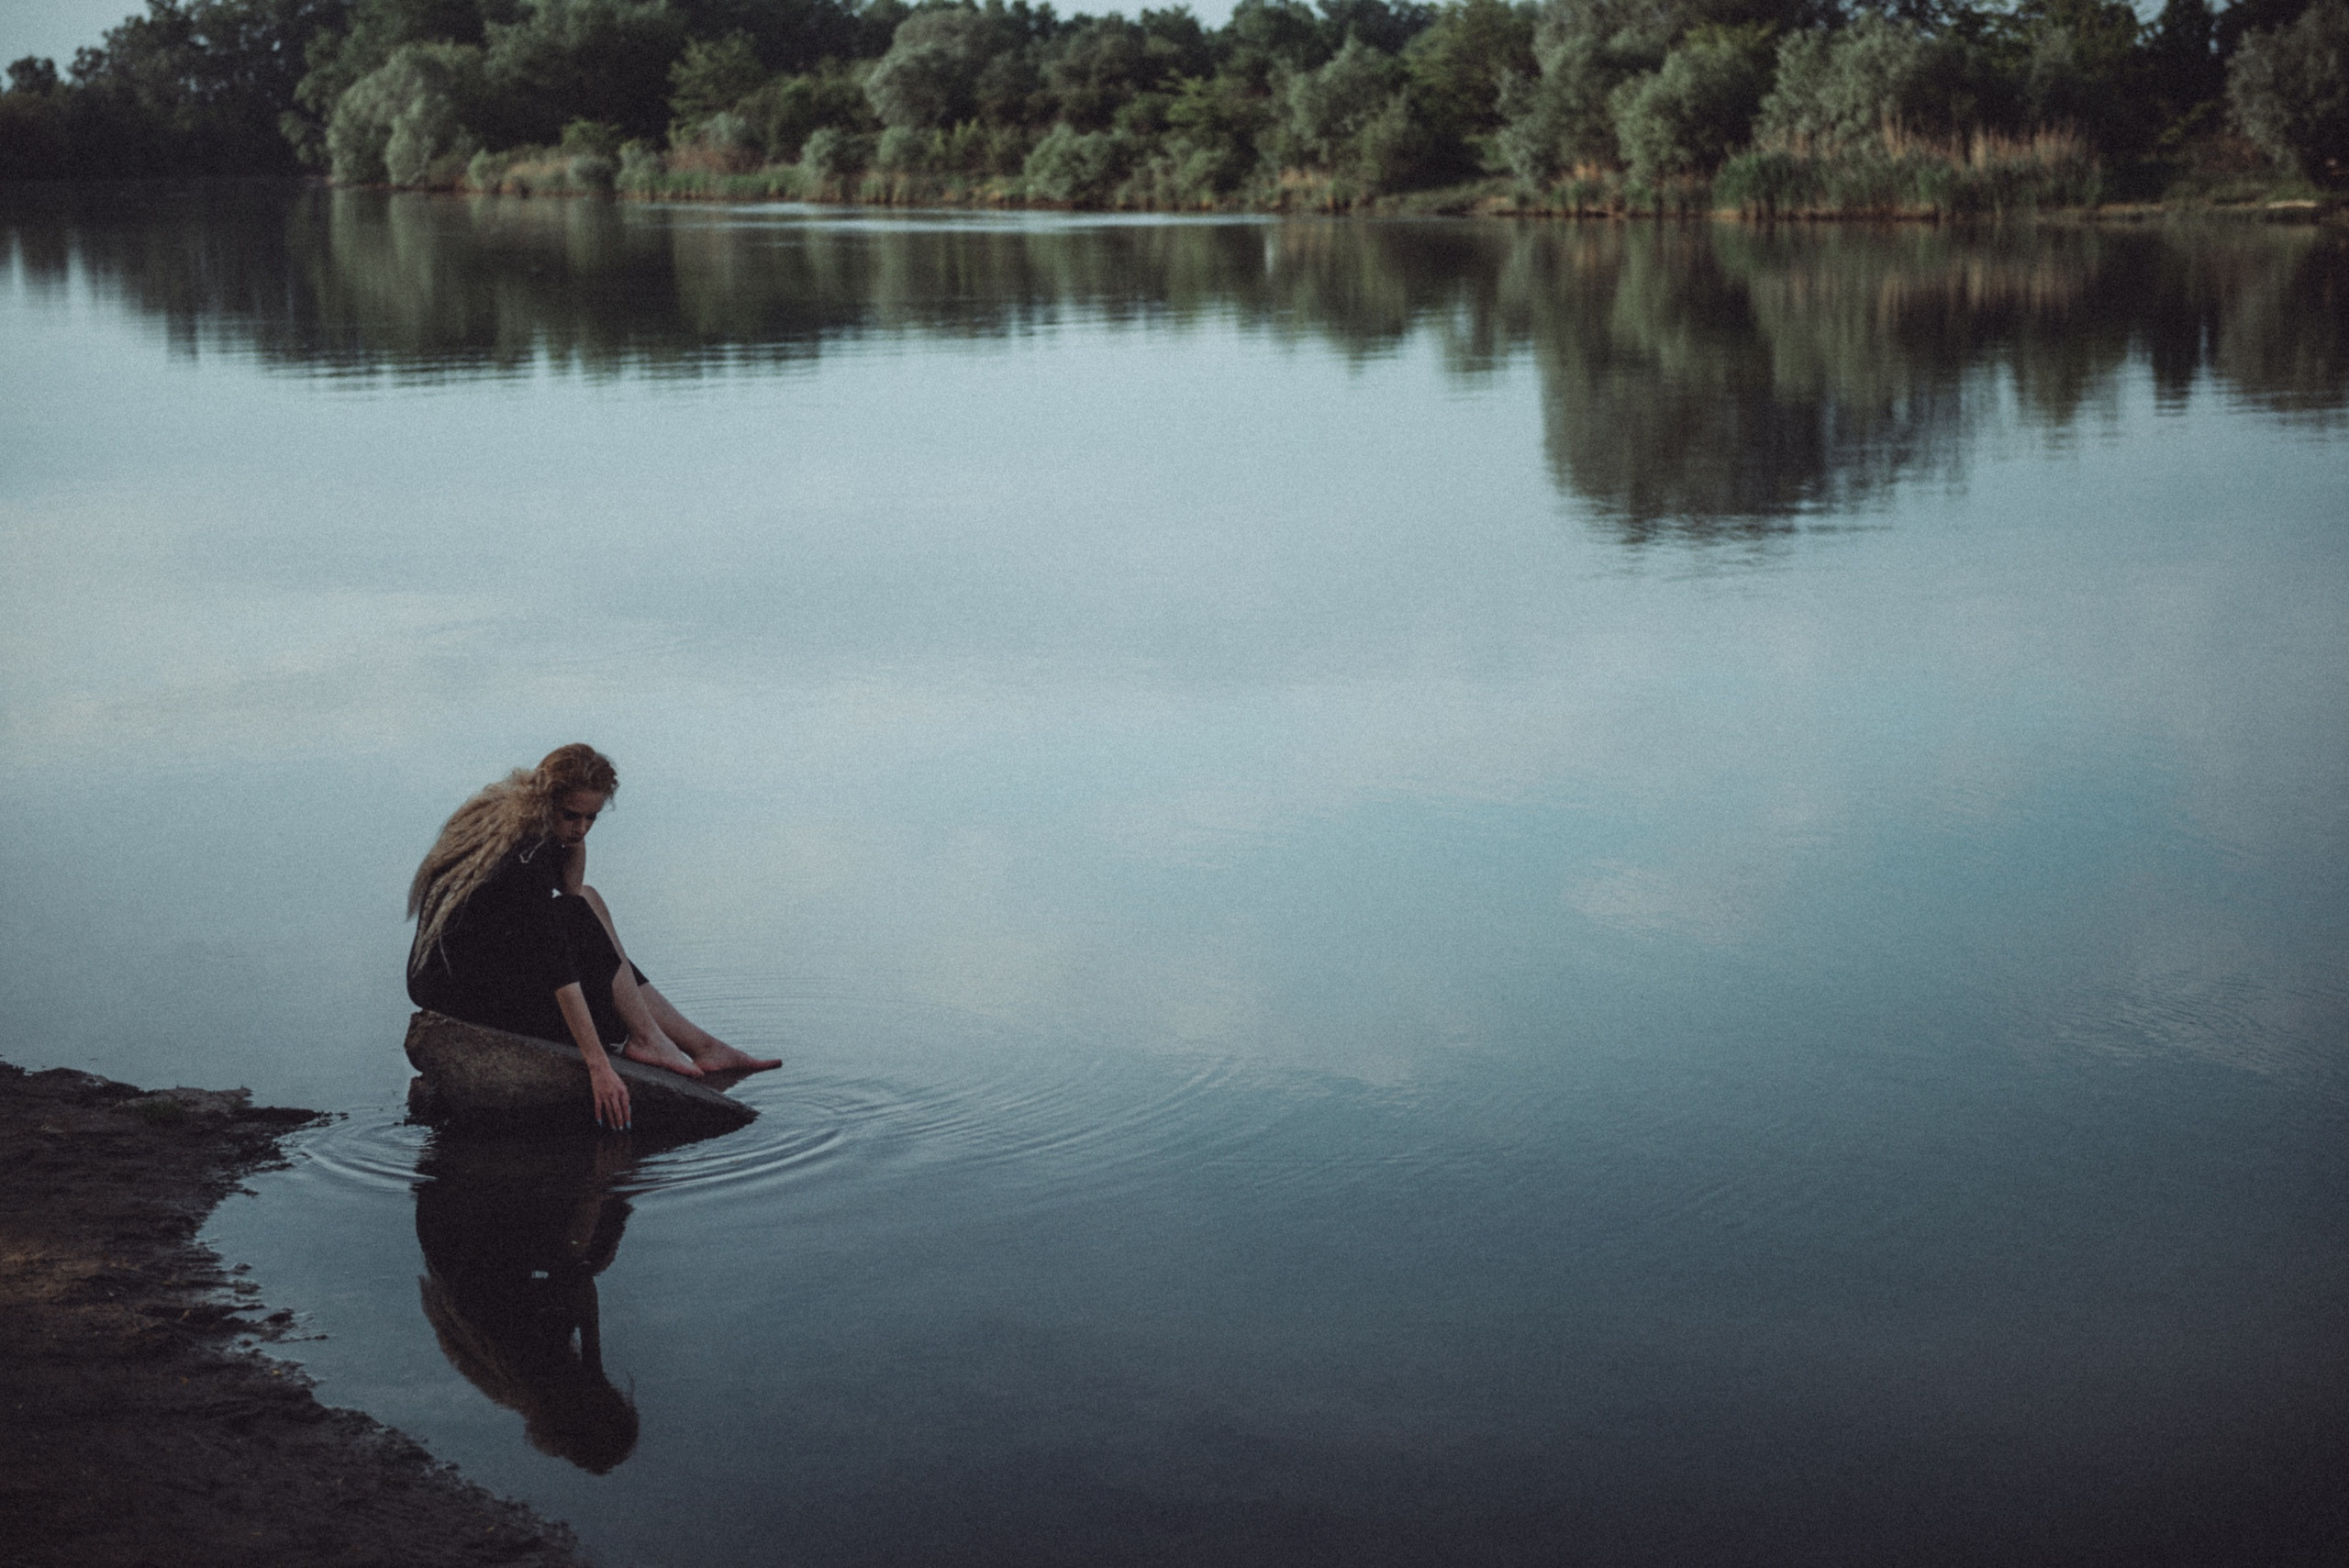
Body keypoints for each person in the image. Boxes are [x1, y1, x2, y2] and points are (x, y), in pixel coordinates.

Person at [406, 744, 779, 1129]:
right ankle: (645, 1037)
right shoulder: (522, 855)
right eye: (571, 816)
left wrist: (574, 838)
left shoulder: (531, 823)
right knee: (577, 915)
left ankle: (700, 1045)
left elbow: (572, 890)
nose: (581, 827)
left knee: (588, 900)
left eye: (591, 818)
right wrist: (598, 1063)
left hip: (483, 964)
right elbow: (557, 959)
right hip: (459, 990)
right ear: (543, 801)